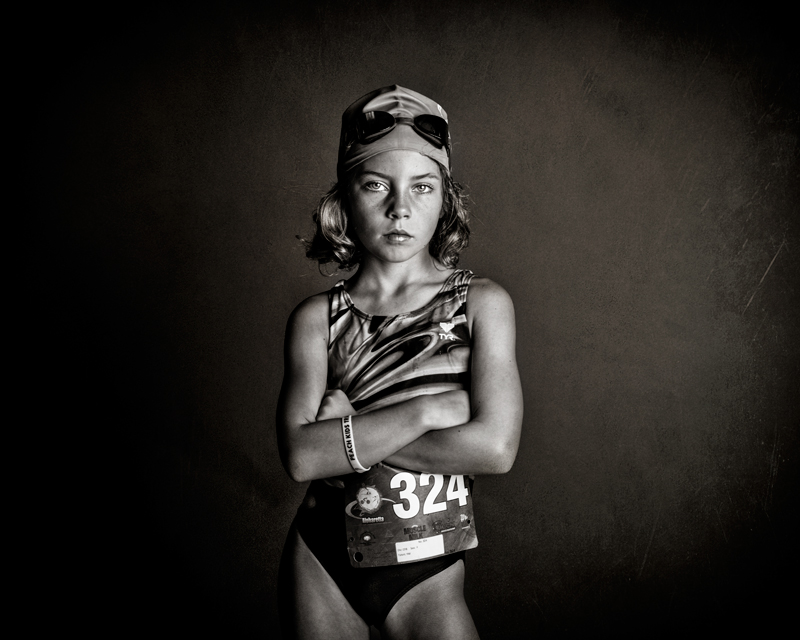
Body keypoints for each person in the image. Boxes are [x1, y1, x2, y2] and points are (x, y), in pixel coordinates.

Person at [277, 85, 523, 640]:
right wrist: (430, 410)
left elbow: (495, 448)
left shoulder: (481, 304)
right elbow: (298, 458)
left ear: (446, 198)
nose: (400, 208)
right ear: (344, 197)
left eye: (422, 186)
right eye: (376, 185)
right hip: (322, 562)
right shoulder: (317, 320)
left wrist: (345, 441)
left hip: (427, 575)